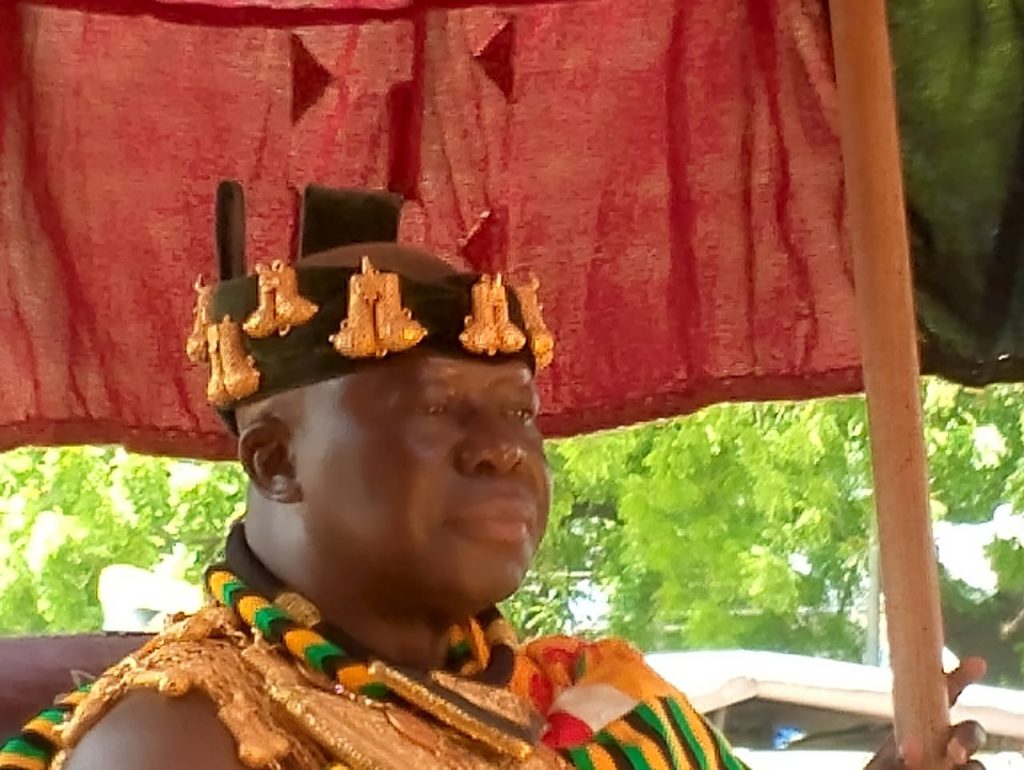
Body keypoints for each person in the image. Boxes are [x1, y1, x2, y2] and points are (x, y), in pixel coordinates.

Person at [1, 183, 988, 770]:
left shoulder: (612, 707)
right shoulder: (185, 735)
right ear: (276, 459)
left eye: (517, 411)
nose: (501, 448)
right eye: (437, 408)